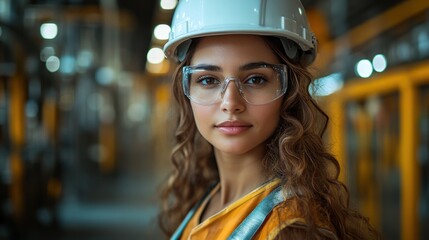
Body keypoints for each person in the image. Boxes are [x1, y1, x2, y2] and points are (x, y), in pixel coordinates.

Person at [159, 0, 379, 239]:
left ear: (289, 91)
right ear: (186, 91)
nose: (230, 103)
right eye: (208, 80)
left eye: (255, 79)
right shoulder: (206, 196)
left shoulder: (292, 229)